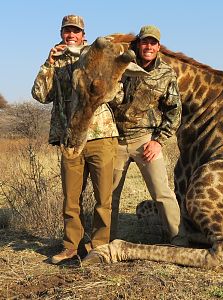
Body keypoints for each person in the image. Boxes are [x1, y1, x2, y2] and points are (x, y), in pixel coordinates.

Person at [31, 15, 119, 264]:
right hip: (70, 140)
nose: (71, 35)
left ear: (83, 34)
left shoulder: (98, 54)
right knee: (71, 199)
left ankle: (99, 248)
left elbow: (115, 90)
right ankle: (71, 247)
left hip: (100, 135)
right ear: (61, 33)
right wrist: (48, 63)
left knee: (104, 198)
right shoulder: (55, 61)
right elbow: (40, 95)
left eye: (75, 31)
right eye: (67, 30)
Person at [110, 25, 186, 245]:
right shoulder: (121, 66)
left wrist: (159, 142)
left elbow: (174, 111)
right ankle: (103, 242)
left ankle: (179, 242)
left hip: (145, 142)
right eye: (145, 42)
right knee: (109, 197)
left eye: (153, 43)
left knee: (162, 194)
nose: (149, 46)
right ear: (138, 44)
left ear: (159, 47)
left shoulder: (166, 73)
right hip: (116, 140)